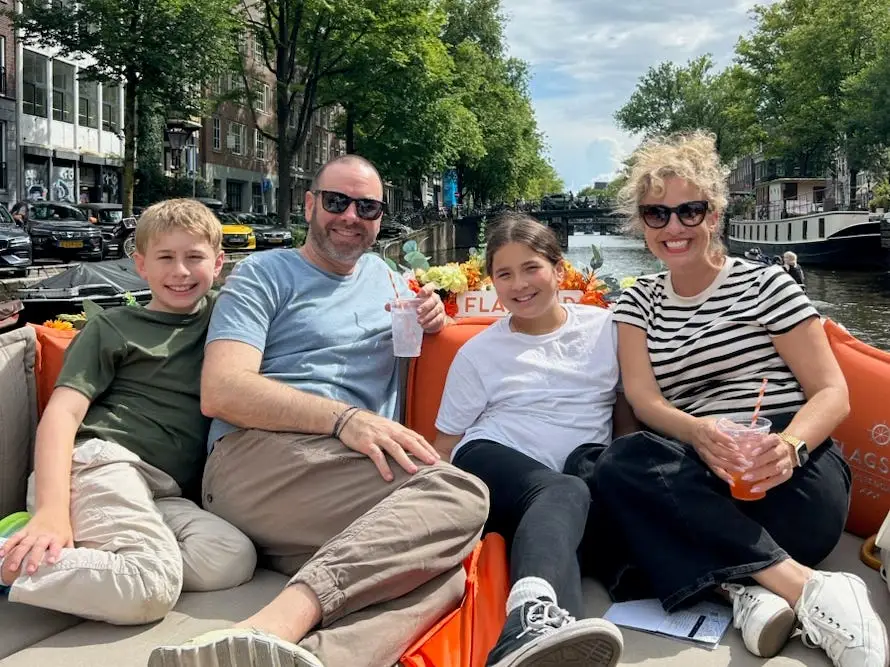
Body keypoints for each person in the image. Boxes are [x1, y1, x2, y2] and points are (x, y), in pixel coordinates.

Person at [150, 155, 489, 667]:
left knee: (442, 568)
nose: (351, 215)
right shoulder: (263, 274)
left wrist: (435, 316)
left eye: (368, 206)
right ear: (309, 205)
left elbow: (418, 326)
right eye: (336, 201)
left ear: (380, 218)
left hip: (345, 481)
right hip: (256, 460)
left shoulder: (391, 279)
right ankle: (275, 622)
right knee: (462, 491)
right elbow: (222, 390)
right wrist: (345, 419)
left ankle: (313, 659)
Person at [575, 131, 887, 667]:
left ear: (714, 215)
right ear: (642, 224)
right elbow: (646, 401)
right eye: (657, 214)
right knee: (595, 468)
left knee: (618, 500)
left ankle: (765, 586)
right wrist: (699, 432)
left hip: (792, 475)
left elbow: (832, 393)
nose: (673, 227)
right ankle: (766, 589)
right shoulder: (637, 303)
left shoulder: (768, 285)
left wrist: (788, 447)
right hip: (697, 466)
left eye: (689, 210)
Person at [0, 199, 257, 623]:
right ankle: (17, 551)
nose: (180, 271)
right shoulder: (113, 327)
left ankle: (89, 556)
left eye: (194, 257)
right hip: (100, 465)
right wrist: (51, 508)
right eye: (165, 257)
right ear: (140, 266)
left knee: (231, 557)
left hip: (163, 491)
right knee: (148, 588)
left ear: (219, 263)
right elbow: (62, 416)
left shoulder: (227, 316)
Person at [434, 214, 627, 667]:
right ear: (493, 283)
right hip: (493, 462)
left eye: (531, 268)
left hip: (575, 483)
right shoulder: (478, 353)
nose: (519, 284)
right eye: (504, 274)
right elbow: (444, 444)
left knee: (577, 507)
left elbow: (628, 407)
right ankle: (526, 619)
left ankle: (550, 644)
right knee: (563, 490)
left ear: (559, 271)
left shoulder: (607, 329)